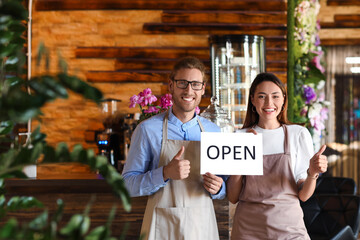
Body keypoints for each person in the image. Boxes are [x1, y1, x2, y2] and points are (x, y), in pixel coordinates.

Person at [122, 56, 226, 240]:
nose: (188, 90)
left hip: (201, 227)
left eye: (195, 84)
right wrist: (164, 173)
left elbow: (226, 184)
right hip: (161, 228)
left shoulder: (214, 132)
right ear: (171, 86)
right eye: (182, 83)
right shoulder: (147, 129)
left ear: (202, 89)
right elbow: (126, 185)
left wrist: (219, 188)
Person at [226, 72, 328, 240]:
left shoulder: (298, 134)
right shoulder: (240, 136)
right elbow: (233, 197)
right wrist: (243, 154)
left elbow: (304, 195)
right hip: (248, 230)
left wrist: (312, 173)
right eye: (261, 96)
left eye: (275, 96)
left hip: (289, 229)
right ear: (252, 99)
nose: (269, 103)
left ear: (283, 99)